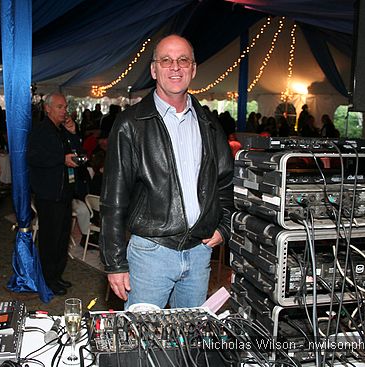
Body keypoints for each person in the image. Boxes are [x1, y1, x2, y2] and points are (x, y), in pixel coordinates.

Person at [100, 35, 234, 309]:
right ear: (153, 69)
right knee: (141, 343)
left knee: (187, 345)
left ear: (193, 69)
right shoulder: (130, 124)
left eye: (183, 60)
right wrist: (114, 263)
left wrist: (224, 226)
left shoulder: (209, 123)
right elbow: (113, 200)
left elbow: (225, 182)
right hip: (151, 253)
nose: (175, 67)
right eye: (166, 60)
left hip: (199, 252)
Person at [27, 93, 80, 296]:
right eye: (59, 107)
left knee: (62, 238)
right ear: (47, 108)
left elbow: (76, 151)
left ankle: (57, 276)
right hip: (48, 194)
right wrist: (61, 158)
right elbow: (34, 157)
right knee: (50, 239)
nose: (64, 111)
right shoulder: (41, 131)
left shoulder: (61, 131)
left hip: (64, 192)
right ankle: (48, 279)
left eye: (65, 107)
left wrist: (73, 132)